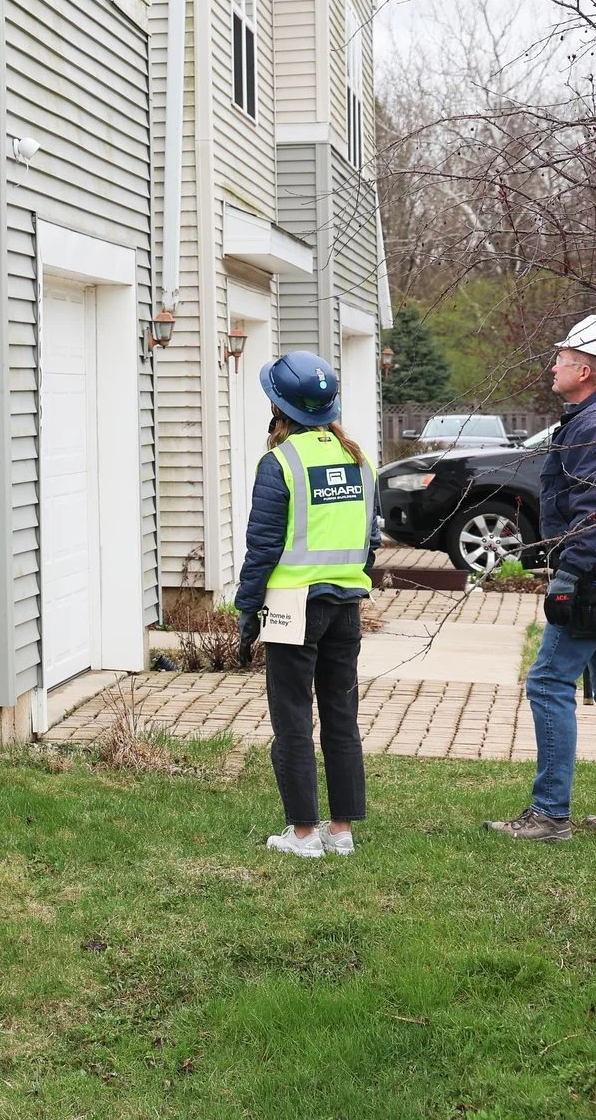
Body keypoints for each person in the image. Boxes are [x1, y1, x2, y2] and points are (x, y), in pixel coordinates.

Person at [489, 315, 596, 842]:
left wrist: (566, 577)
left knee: (548, 682)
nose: (552, 366)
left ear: (585, 369)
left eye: (560, 359)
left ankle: (549, 815)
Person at [233, 352, 373, 858]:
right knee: (341, 715)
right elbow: (369, 541)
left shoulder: (280, 463)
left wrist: (247, 612)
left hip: (294, 606)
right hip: (347, 605)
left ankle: (302, 834)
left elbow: (264, 546)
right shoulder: (358, 461)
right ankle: (341, 831)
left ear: (279, 409)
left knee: (292, 716)